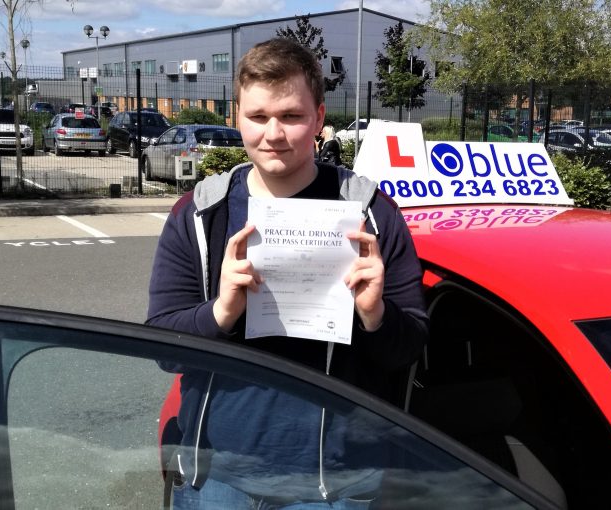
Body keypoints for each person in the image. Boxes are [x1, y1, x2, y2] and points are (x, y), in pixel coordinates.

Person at [147, 37, 428, 509]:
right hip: (218, 481)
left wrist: (376, 314)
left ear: (318, 118)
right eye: (258, 117)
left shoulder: (373, 213)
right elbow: (162, 346)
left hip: (333, 485)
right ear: (237, 117)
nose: (273, 134)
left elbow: (410, 347)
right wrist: (220, 313)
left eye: (291, 116)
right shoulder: (199, 214)